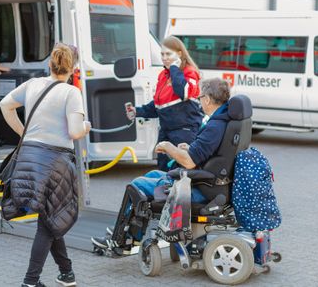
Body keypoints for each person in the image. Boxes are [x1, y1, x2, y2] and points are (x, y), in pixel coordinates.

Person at [92, 78, 231, 251]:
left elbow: (188, 162)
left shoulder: (214, 127)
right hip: (209, 182)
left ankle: (124, 240)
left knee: (136, 186)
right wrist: (189, 148)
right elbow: (208, 154)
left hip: (199, 189)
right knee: (152, 175)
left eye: (200, 96)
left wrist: (167, 146)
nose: (199, 100)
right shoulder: (224, 121)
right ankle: (127, 232)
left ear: (208, 99)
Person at [0, 44, 91, 287]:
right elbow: (74, 131)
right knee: (48, 223)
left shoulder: (32, 84)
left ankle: (67, 272)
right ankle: (30, 282)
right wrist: (86, 127)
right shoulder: (70, 93)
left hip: (29, 159)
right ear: (73, 68)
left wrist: (25, 133)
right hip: (56, 163)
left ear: (49, 64)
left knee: (51, 217)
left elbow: (5, 106)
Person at [126, 36, 202, 171]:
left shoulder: (189, 71)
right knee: (162, 169)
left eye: (168, 54)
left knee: (181, 171)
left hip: (184, 131)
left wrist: (174, 69)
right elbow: (159, 105)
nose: (164, 58)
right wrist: (137, 111)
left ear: (179, 54)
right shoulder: (163, 75)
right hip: (166, 131)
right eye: (162, 54)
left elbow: (184, 92)